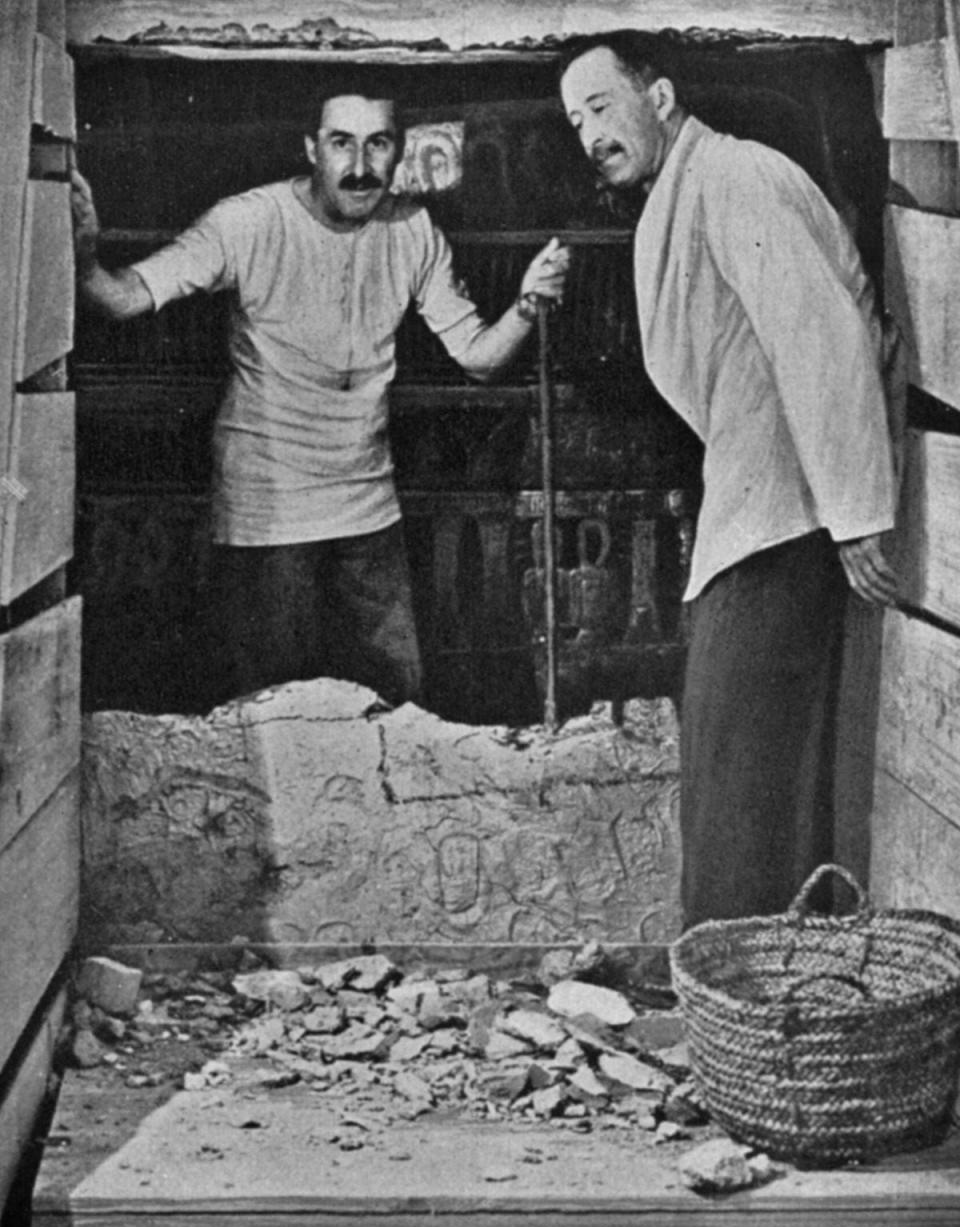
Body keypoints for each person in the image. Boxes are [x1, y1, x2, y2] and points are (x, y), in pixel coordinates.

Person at [71, 87, 570, 709]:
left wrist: (527, 306)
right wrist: (87, 259)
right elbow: (121, 298)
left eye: (378, 143)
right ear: (311, 148)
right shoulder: (248, 222)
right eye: (342, 142)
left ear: (398, 152)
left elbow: (479, 358)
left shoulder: (411, 229)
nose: (360, 165)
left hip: (368, 509)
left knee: (398, 702)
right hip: (267, 514)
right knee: (268, 716)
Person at [559, 31, 899, 927]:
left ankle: (744, 998)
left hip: (788, 521)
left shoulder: (737, 177)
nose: (588, 132)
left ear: (661, 96)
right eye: (573, 121)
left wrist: (858, 511)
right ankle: (735, 999)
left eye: (600, 106)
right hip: (759, 510)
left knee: (740, 772)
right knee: (729, 763)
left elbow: (820, 335)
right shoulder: (686, 189)